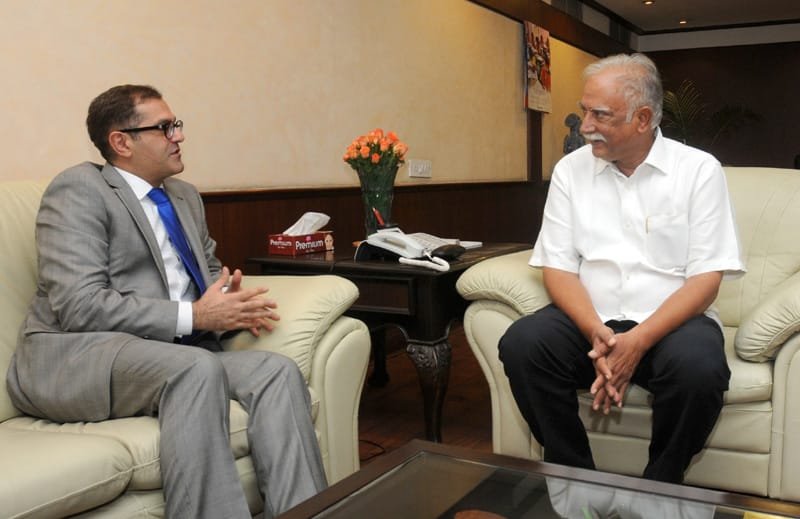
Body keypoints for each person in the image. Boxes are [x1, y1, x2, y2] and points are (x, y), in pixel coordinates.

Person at [6, 85, 327, 518]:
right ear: (121, 142)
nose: (178, 135)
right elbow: (79, 305)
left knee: (276, 371)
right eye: (164, 127)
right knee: (195, 367)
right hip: (76, 357)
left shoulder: (184, 196)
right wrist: (195, 315)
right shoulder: (80, 189)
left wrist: (227, 301)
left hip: (170, 353)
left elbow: (208, 269)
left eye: (176, 125)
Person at [498, 53, 745, 484]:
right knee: (523, 343)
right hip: (590, 320)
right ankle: (578, 483)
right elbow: (557, 267)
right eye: (585, 109)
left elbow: (707, 279)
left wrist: (637, 342)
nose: (585, 124)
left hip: (671, 322)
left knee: (699, 369)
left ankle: (659, 488)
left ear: (643, 118)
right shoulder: (570, 172)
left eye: (600, 114)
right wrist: (596, 330)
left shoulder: (698, 171)